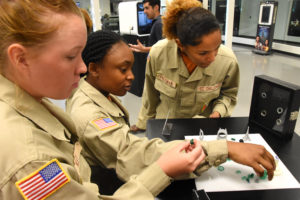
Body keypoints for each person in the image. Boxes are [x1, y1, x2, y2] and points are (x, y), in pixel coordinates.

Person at [0, 0, 207, 199]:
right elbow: (124, 151)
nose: (82, 68)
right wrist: (163, 171)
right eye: (71, 56)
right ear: (20, 58)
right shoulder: (30, 160)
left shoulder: (30, 100)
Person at [66, 29, 276, 197]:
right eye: (123, 70)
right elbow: (132, 153)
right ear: (94, 69)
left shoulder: (95, 89)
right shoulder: (89, 114)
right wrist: (224, 148)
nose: (131, 77)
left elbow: (229, 94)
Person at [130, 0, 240, 132]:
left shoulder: (228, 61)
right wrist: (143, 125)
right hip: (165, 126)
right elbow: (150, 95)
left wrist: (218, 112)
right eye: (203, 52)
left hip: (202, 129)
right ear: (180, 44)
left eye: (217, 47)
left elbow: (228, 94)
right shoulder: (158, 54)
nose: (212, 58)